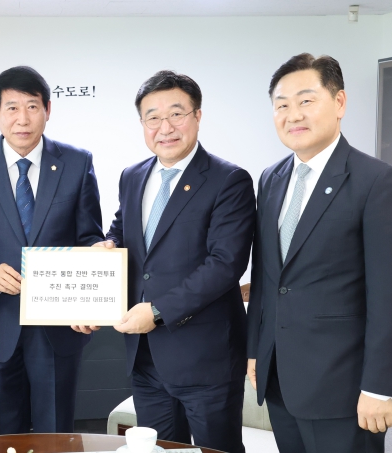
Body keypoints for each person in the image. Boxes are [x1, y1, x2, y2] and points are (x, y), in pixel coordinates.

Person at [74, 70, 255, 453]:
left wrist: (157, 311)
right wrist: (102, 257)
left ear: (197, 116)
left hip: (205, 358)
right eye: (152, 117)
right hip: (145, 358)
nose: (165, 127)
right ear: (142, 123)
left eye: (176, 114)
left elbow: (225, 264)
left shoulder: (229, 180)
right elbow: (121, 235)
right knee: (156, 450)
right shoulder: (133, 176)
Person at [246, 53, 392, 453]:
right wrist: (256, 350)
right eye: (282, 105)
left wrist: (378, 387)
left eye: (306, 101)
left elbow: (390, 297)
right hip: (279, 377)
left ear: (339, 102)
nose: (293, 115)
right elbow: (267, 277)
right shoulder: (271, 179)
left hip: (343, 386)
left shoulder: (377, 181)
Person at [0, 66, 104, 435]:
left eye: (32, 107)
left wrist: (100, 257)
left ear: (48, 109)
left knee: (56, 433)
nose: (22, 119)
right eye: (12, 108)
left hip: (60, 326)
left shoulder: (76, 163)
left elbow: (89, 237)